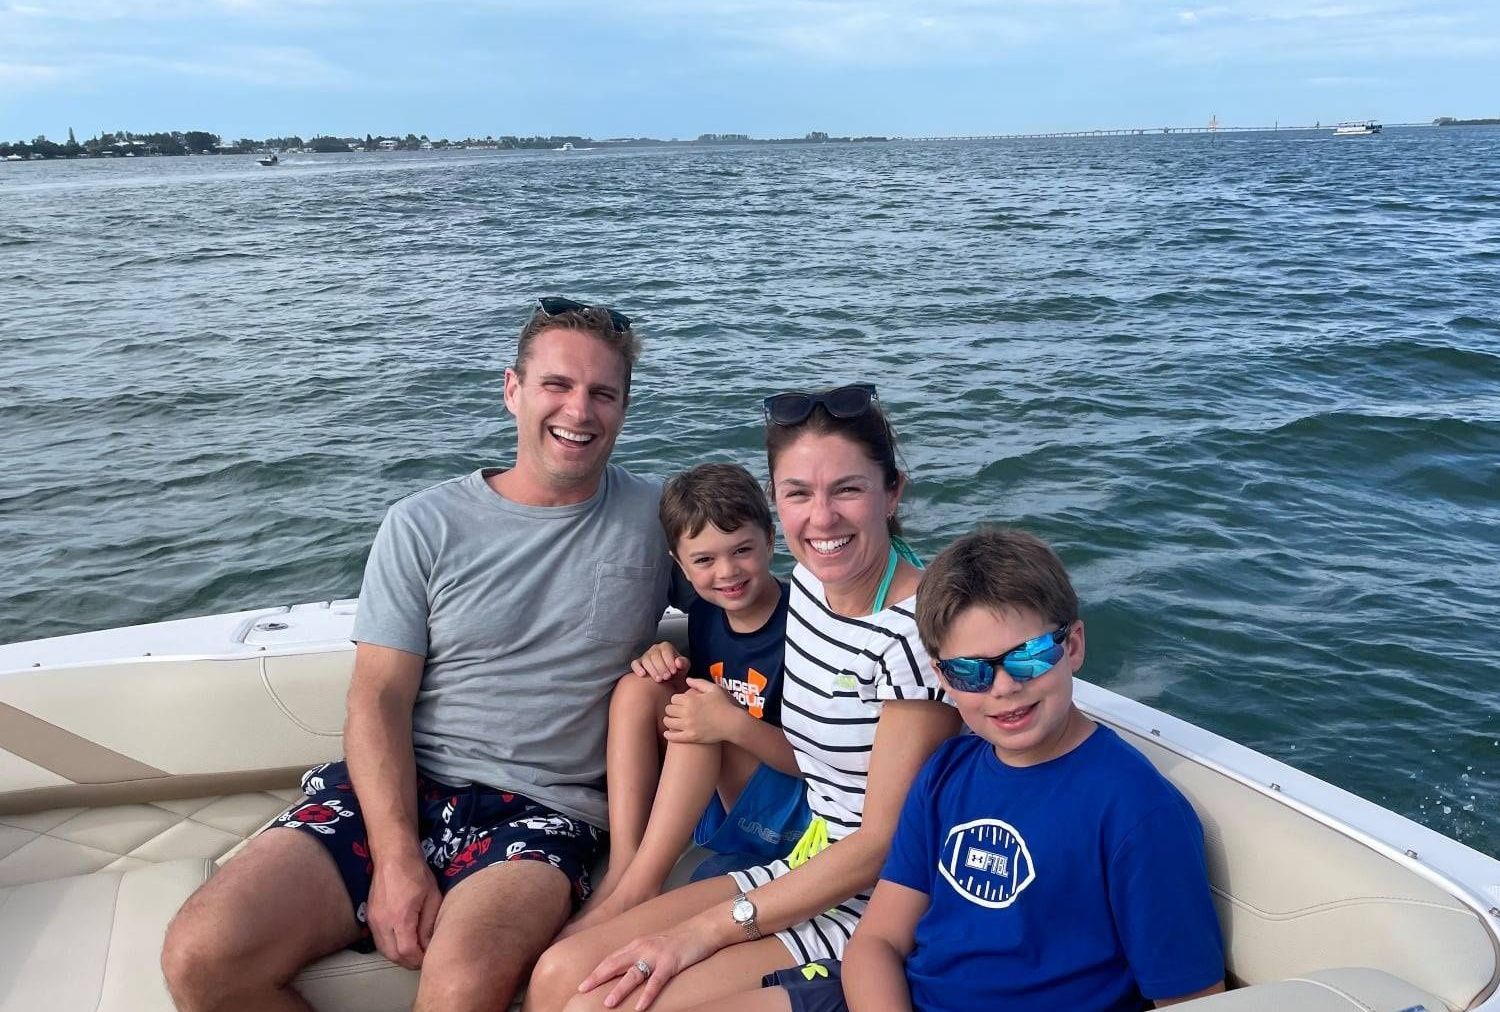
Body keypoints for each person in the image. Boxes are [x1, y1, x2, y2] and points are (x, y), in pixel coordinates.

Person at [161, 297, 687, 1012]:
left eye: (603, 393)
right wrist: (398, 857)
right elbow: (377, 698)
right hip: (405, 783)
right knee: (202, 956)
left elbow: (756, 605)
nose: (579, 410)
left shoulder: (656, 518)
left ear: (625, 408)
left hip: (544, 810)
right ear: (513, 391)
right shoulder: (423, 524)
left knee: (460, 986)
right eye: (557, 385)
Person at [525, 382, 962, 1012]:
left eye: (848, 488)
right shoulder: (811, 583)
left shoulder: (913, 635)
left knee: (603, 1004)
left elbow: (880, 845)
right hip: (803, 863)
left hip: (870, 904)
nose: (822, 518)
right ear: (775, 502)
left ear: (892, 491)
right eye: (798, 493)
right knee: (559, 973)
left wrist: (699, 934)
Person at [828, 527, 1225, 1012]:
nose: (1002, 687)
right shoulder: (944, 775)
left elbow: (1193, 1000)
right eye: (969, 671)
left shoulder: (1138, 812)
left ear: (1073, 646)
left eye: (1028, 657)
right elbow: (877, 943)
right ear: (941, 677)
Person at [565, 462, 810, 939]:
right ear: (680, 565)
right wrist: (666, 661)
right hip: (727, 801)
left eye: (743, 550)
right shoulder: (703, 616)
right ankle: (624, 865)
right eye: (704, 561)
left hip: (791, 817)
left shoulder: (801, 625)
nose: (727, 572)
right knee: (639, 688)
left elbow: (821, 761)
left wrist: (733, 725)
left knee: (699, 720)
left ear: (771, 540)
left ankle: (639, 889)